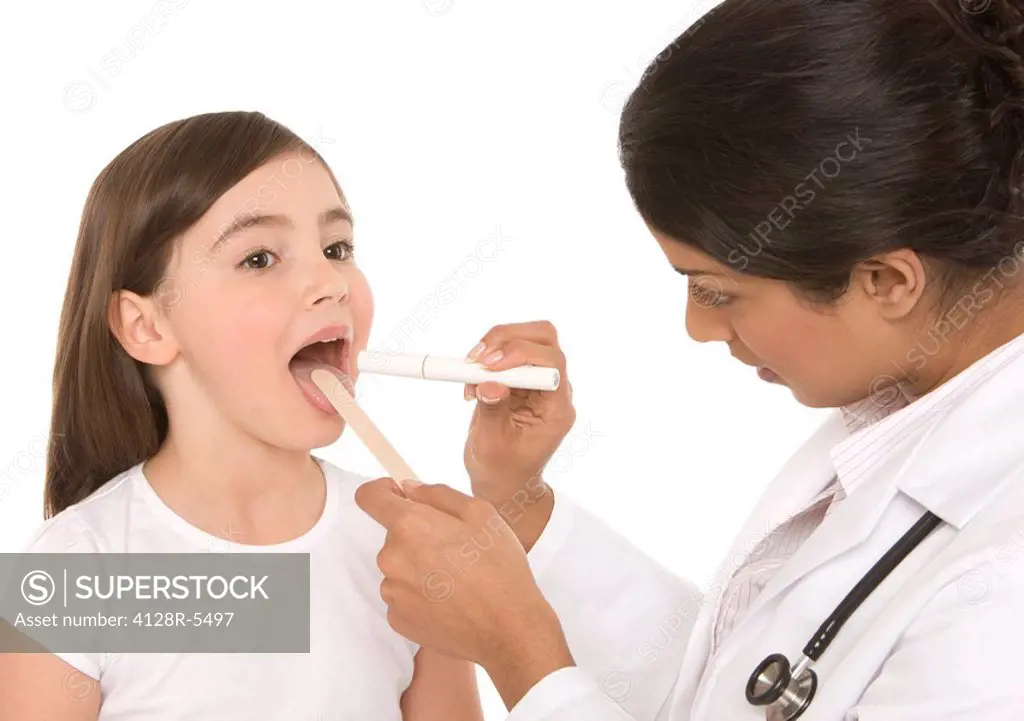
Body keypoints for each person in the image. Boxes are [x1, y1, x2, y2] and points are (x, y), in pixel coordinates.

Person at [353, 0, 1024, 719]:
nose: (698, 327)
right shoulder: (912, 409)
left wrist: (518, 651)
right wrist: (521, 508)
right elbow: (736, 689)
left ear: (887, 281)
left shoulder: (1000, 581)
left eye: (716, 291)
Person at [0, 112, 483, 721]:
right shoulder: (76, 570)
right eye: (259, 258)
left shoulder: (408, 553)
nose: (328, 282)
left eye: (337, 248)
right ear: (146, 325)